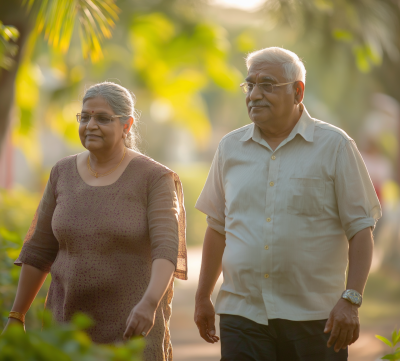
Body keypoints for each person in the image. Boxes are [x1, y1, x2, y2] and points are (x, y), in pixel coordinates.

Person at [194, 47, 381, 361]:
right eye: (250, 84)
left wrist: (351, 300)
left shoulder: (335, 147)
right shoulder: (230, 148)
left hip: (315, 318)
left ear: (298, 91)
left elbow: (361, 230)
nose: (254, 94)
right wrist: (202, 297)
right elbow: (217, 227)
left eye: (267, 85)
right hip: (243, 314)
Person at [4, 82, 187, 361]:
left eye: (103, 118)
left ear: (127, 125)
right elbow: (39, 251)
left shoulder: (154, 178)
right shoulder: (62, 173)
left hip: (132, 328)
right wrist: (17, 315)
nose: (90, 125)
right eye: (85, 116)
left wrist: (150, 303)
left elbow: (166, 250)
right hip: (66, 331)